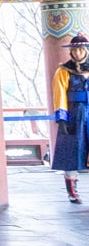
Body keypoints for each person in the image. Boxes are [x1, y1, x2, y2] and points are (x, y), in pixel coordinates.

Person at [51, 33, 89, 204]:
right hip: (74, 115)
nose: (78, 53)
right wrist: (62, 118)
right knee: (72, 153)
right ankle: (72, 192)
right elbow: (59, 96)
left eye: (81, 49)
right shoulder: (63, 71)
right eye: (75, 50)